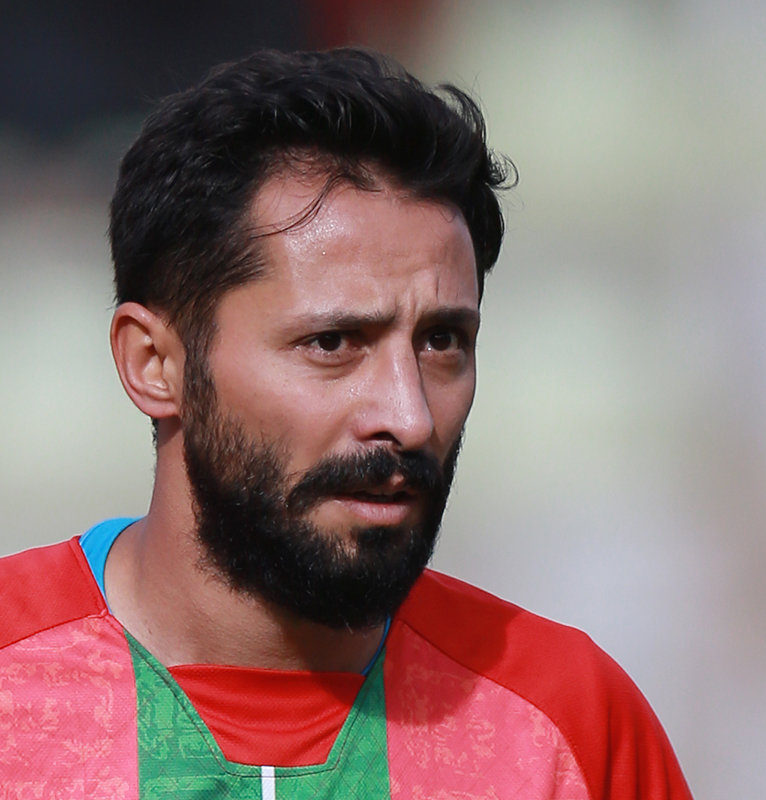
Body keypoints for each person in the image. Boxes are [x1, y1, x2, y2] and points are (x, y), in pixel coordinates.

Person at [0, 48, 693, 798]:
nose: (409, 416)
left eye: (441, 342)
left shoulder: (571, 727)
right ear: (154, 364)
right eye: (332, 342)